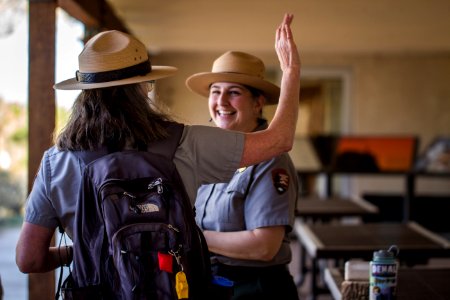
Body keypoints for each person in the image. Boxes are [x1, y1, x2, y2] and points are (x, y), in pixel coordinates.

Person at [15, 13, 300, 276]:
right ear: (142, 88)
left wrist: (87, 252)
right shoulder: (185, 143)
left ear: (84, 94)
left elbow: (29, 259)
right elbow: (279, 140)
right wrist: (290, 73)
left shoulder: (57, 161)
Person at [186, 50, 299, 299]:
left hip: (257, 289)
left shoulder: (271, 160)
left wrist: (193, 237)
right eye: (216, 91)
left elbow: (264, 246)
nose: (222, 102)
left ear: (258, 103)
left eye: (234, 92)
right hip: (215, 283)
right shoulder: (211, 155)